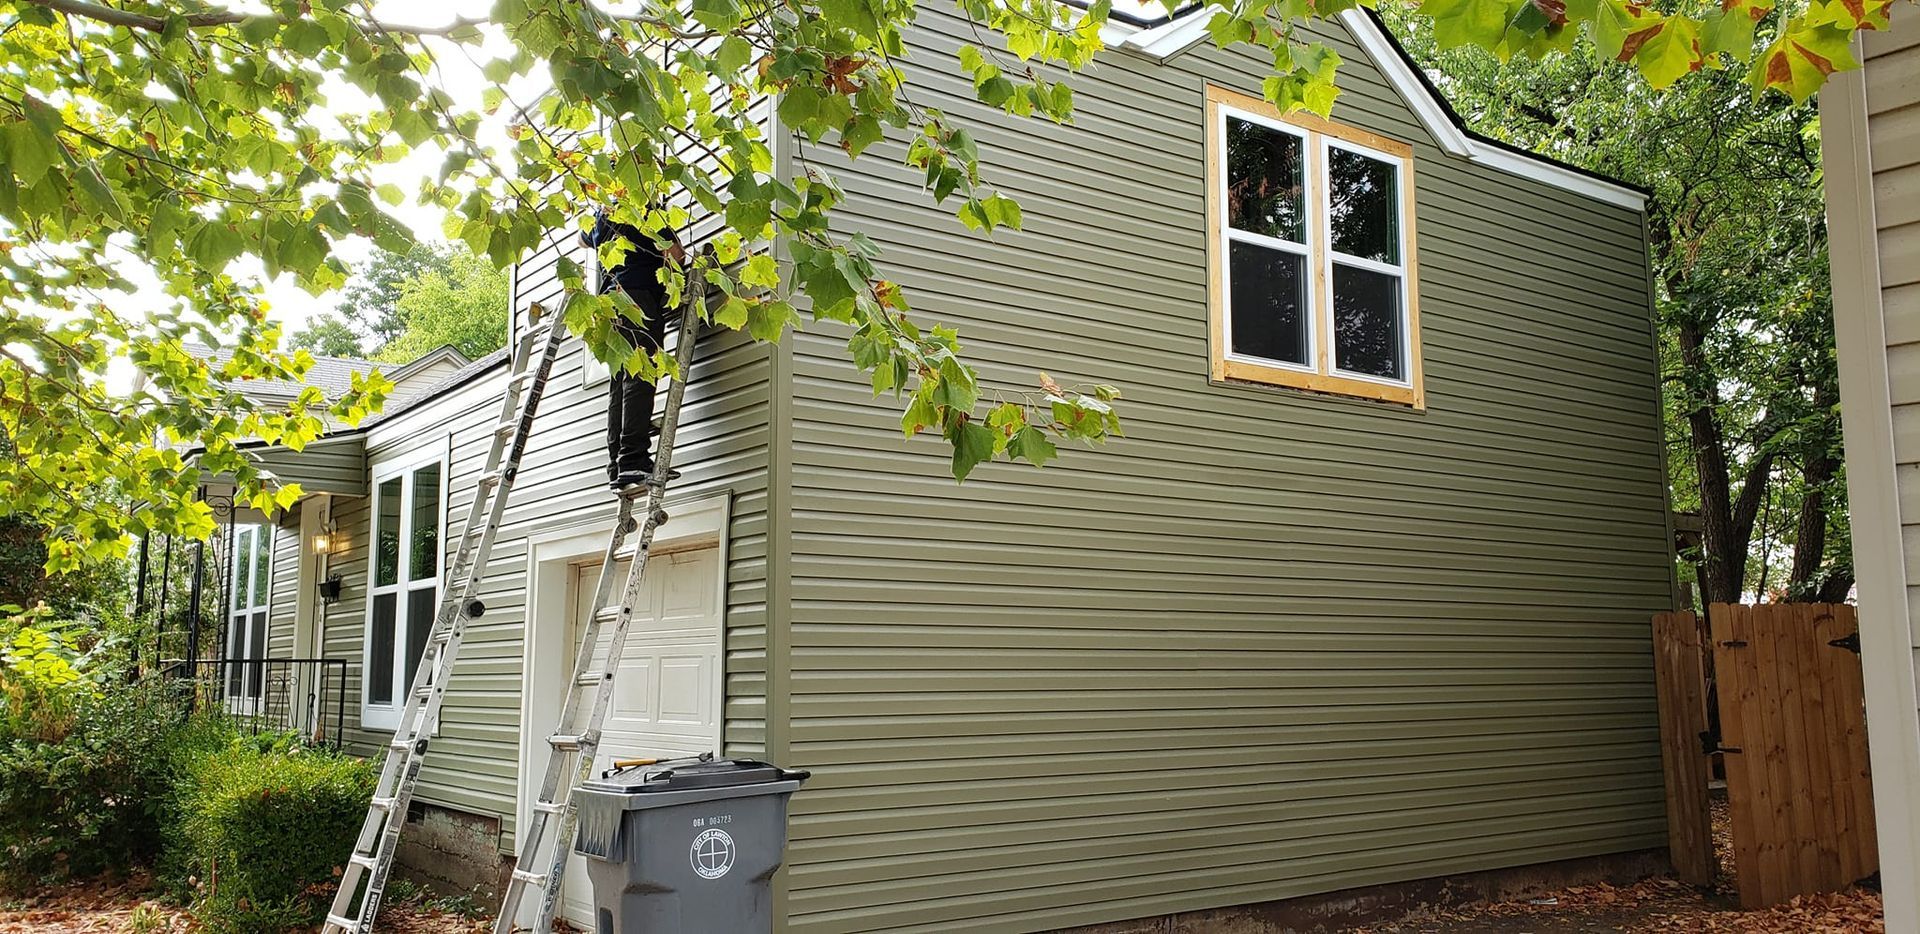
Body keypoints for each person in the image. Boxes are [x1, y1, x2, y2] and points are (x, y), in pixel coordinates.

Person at [583, 209, 684, 490]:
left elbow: (583, 240)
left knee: (620, 381)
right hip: (636, 298)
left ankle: (617, 463)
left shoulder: (603, 213)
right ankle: (633, 460)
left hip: (608, 304)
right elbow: (675, 255)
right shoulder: (645, 209)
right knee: (640, 376)